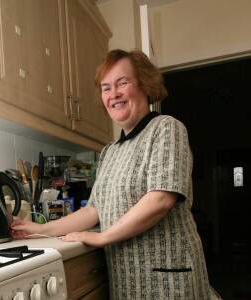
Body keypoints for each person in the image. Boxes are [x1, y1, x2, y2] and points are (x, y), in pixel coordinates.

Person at [11, 49, 211, 299]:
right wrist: (40, 229)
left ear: (146, 85)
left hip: (167, 280)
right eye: (106, 88)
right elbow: (93, 210)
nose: (113, 94)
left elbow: (160, 200)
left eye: (122, 83)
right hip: (127, 280)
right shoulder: (109, 151)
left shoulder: (167, 129)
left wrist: (102, 237)